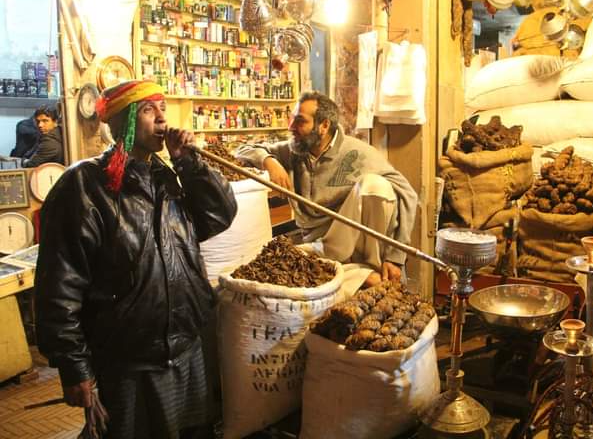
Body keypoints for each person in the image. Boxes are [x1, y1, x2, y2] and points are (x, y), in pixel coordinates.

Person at [34, 80, 237, 439]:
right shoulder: (84, 186)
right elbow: (59, 285)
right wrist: (73, 366)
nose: (161, 119)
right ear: (125, 121)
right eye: (148, 110)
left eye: (163, 108)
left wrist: (189, 162)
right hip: (128, 359)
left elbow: (219, 216)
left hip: (186, 346)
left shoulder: (167, 176)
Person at [236, 91, 418, 283]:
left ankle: (363, 268)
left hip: (349, 242)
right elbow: (242, 150)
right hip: (313, 242)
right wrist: (269, 161)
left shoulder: (359, 152)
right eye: (292, 119)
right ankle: (358, 274)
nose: (290, 127)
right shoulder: (294, 150)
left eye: (300, 121)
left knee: (375, 186)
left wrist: (396, 256)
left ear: (324, 126)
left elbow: (408, 193)